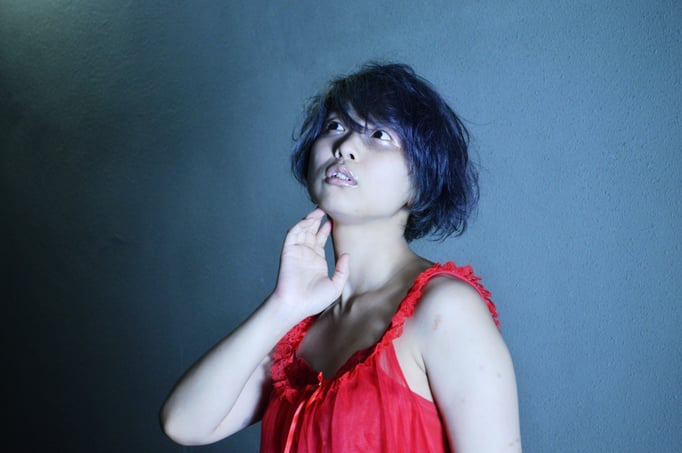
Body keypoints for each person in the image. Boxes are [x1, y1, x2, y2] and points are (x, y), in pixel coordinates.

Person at [160, 62, 521, 452]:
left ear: (421, 183)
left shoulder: (445, 309)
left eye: (380, 135)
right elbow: (184, 424)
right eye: (335, 126)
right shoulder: (299, 331)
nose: (344, 145)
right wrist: (283, 306)